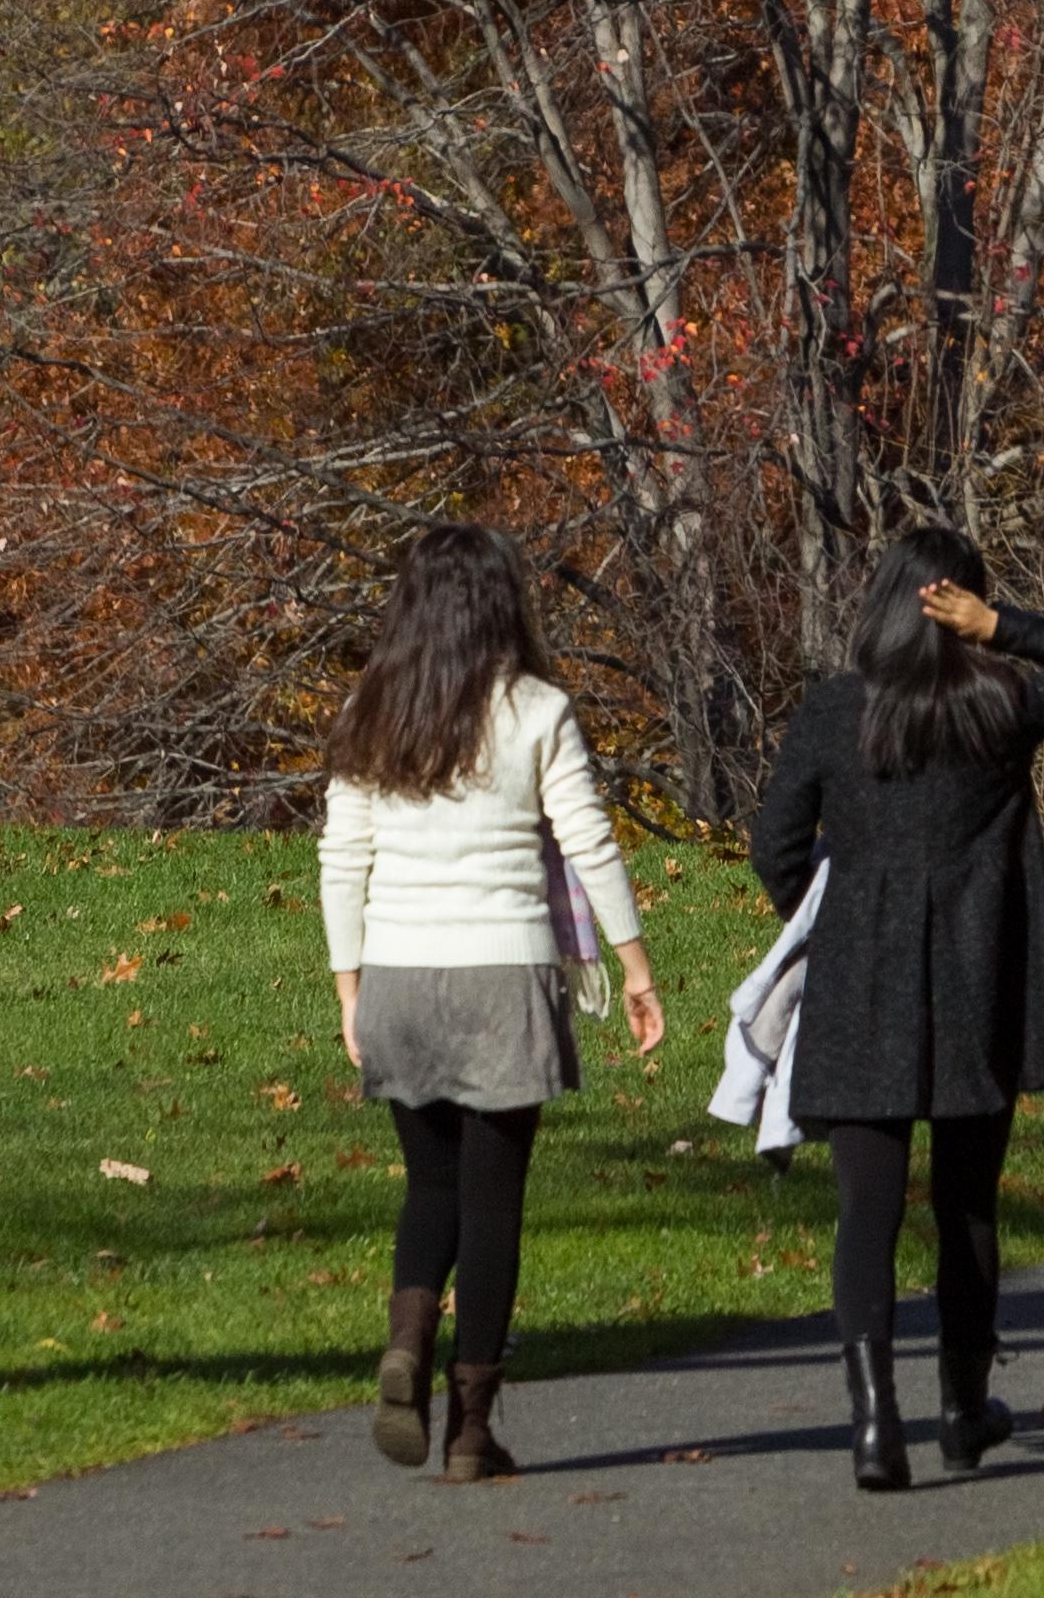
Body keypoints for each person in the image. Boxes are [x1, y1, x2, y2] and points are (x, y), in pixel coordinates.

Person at [749, 527, 1044, 1492]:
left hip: (861, 985)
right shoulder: (999, 704)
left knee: (865, 1215)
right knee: (967, 1206)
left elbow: (776, 844)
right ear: (957, 608)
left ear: (882, 602)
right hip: (975, 979)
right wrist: (1001, 627)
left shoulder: (837, 712)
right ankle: (961, 1410)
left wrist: (823, 916)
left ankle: (876, 1425)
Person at [315, 523, 666, 1482]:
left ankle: (407, 1337)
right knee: (493, 1204)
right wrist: (635, 968)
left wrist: (349, 987)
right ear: (503, 601)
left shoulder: (370, 708)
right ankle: (472, 1430)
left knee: (430, 1188)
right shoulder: (539, 709)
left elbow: (343, 860)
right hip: (502, 978)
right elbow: (589, 842)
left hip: (396, 974)